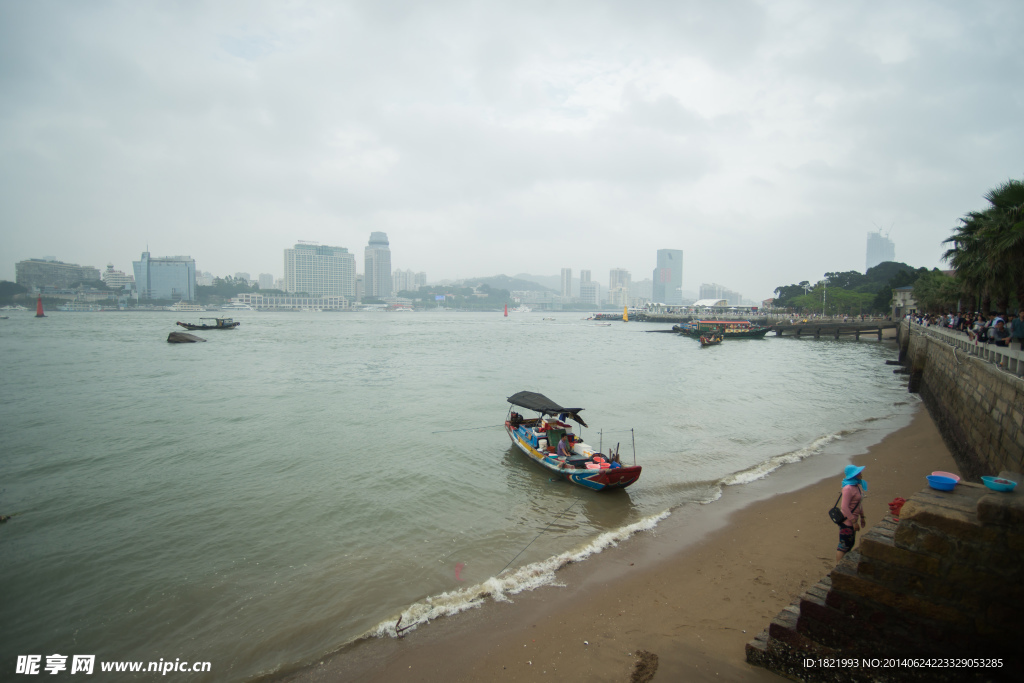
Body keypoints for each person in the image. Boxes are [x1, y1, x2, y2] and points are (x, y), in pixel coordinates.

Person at [836, 464, 867, 564]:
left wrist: (862, 517)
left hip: (853, 520)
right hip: (847, 522)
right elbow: (844, 507)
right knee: (843, 546)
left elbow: (858, 504)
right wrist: (853, 521)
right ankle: (838, 566)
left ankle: (843, 564)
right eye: (858, 473)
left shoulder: (857, 486)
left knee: (850, 543)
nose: (860, 474)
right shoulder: (848, 488)